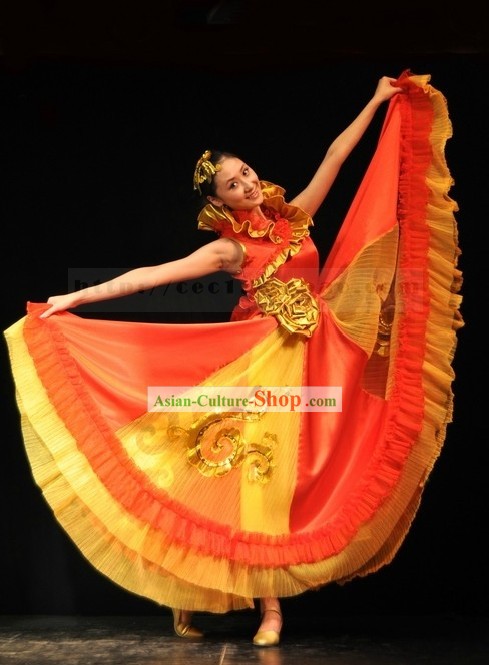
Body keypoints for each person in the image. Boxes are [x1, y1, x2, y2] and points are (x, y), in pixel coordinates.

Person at [4, 71, 463, 647]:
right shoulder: (228, 249)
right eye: (231, 184)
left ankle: (194, 589)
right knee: (255, 478)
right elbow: (154, 276)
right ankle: (265, 608)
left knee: (309, 470)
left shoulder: (293, 220)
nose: (245, 183)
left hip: (318, 355)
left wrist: (375, 102)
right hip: (257, 361)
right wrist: (77, 296)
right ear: (218, 201)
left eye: (245, 172)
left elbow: (335, 155)